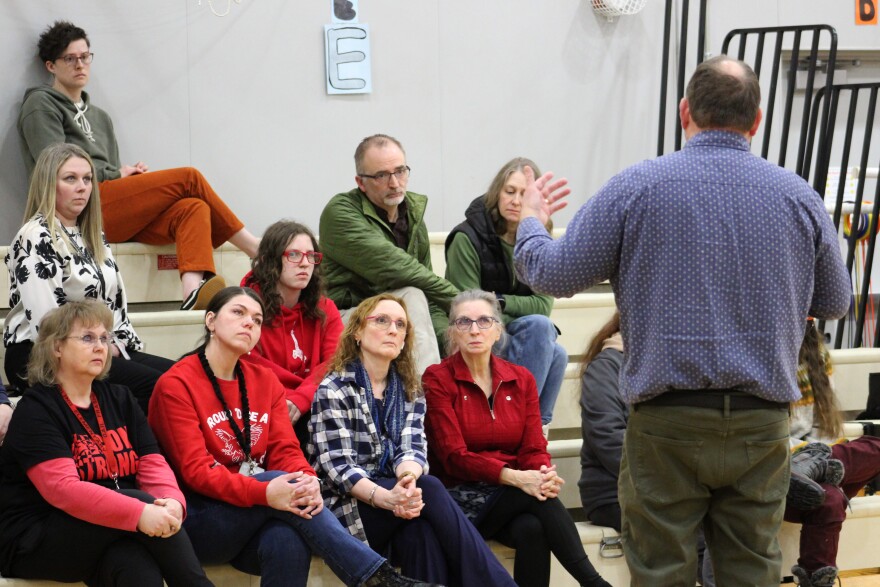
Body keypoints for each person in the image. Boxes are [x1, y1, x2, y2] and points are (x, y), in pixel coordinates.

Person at [513, 55, 851, 585]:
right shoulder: (798, 195)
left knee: (661, 572)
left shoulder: (637, 187)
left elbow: (552, 275)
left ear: (684, 111)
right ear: (756, 121)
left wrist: (531, 221)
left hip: (666, 424)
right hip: (760, 422)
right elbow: (835, 302)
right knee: (752, 572)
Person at [148, 287, 431, 587]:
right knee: (285, 491)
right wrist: (268, 491)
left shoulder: (263, 379)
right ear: (210, 321)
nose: (249, 323)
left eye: (257, 320)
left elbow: (285, 449)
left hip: (255, 511)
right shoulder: (176, 384)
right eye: (238, 313)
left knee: (287, 540)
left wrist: (307, 478)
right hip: (201, 517)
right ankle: (377, 578)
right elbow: (196, 472)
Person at [19, 20, 262, 309]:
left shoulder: (100, 117)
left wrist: (126, 178)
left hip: (111, 204)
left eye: (85, 57)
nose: (80, 64)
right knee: (189, 178)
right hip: (81, 209)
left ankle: (192, 292)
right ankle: (255, 248)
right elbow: (55, 166)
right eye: (70, 59)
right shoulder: (40, 105)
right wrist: (115, 174)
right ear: (50, 66)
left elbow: (110, 170)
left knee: (194, 208)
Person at [0, 301, 212, 586]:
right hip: (35, 535)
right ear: (57, 348)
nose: (100, 346)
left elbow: (152, 462)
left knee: (133, 565)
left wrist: (172, 502)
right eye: (87, 338)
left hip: (104, 526)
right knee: (138, 501)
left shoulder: (120, 398)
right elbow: (64, 491)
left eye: (104, 338)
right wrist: (141, 512)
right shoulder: (35, 409)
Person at [310, 293, 515, 587]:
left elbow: (413, 446)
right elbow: (339, 468)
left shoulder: (409, 387)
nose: (393, 329)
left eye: (400, 324)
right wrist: (389, 497)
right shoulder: (335, 387)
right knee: (429, 486)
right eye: (381, 321)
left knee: (420, 534)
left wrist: (406, 480)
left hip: (395, 499)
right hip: (345, 507)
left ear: (405, 339)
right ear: (357, 332)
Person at [422, 289, 611, 587]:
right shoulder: (437, 378)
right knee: (535, 501)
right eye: (464, 322)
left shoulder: (520, 378)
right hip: (459, 498)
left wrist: (542, 474)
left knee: (531, 528)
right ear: (452, 333)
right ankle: (594, 582)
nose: (474, 330)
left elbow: (534, 446)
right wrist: (518, 479)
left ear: (498, 330)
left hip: (513, 495)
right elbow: (453, 457)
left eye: (484, 321)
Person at [4, 143, 173, 413]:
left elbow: (114, 304)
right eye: (70, 179)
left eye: (87, 179)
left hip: (95, 347)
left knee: (181, 378)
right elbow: (47, 322)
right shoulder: (36, 235)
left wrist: (115, 345)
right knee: (157, 385)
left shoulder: (92, 235)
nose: (82, 187)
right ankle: (135, 453)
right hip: (41, 353)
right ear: (49, 184)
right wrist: (102, 345)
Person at [578, 311, 715, 587]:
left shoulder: (666, 368)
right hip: (612, 490)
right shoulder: (605, 368)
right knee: (691, 528)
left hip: (673, 483)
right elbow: (607, 439)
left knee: (727, 518)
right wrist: (668, 481)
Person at [319, 134, 459, 373]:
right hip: (340, 316)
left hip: (393, 317)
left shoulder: (413, 217)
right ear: (361, 182)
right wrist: (463, 301)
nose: (395, 183)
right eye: (382, 175)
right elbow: (401, 270)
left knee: (463, 330)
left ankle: (437, 390)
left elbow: (430, 298)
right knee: (411, 295)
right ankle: (427, 399)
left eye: (400, 171)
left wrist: (453, 337)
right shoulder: (339, 212)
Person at [445, 158, 566, 428]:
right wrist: (510, 309)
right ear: (496, 193)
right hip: (474, 335)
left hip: (510, 333)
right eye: (509, 191)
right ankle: (518, 429)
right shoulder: (467, 238)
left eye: (524, 194)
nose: (516, 200)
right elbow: (469, 311)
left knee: (558, 354)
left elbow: (543, 305)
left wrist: (499, 301)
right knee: (538, 327)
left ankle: (535, 433)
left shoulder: (539, 238)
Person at [783, 320, 880, 587]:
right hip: (778, 464)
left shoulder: (817, 353)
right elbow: (764, 434)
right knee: (830, 498)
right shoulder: (763, 351)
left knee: (874, 450)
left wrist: (818, 457)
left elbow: (823, 427)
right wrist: (801, 454)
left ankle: (812, 469)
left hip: (814, 463)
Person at [241, 219, 343, 448]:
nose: (305, 264)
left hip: (310, 402)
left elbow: (336, 361)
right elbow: (250, 368)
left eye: (311, 256)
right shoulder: (246, 309)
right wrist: (290, 398)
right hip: (266, 405)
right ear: (269, 260)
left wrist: (302, 397)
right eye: (294, 255)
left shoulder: (325, 309)